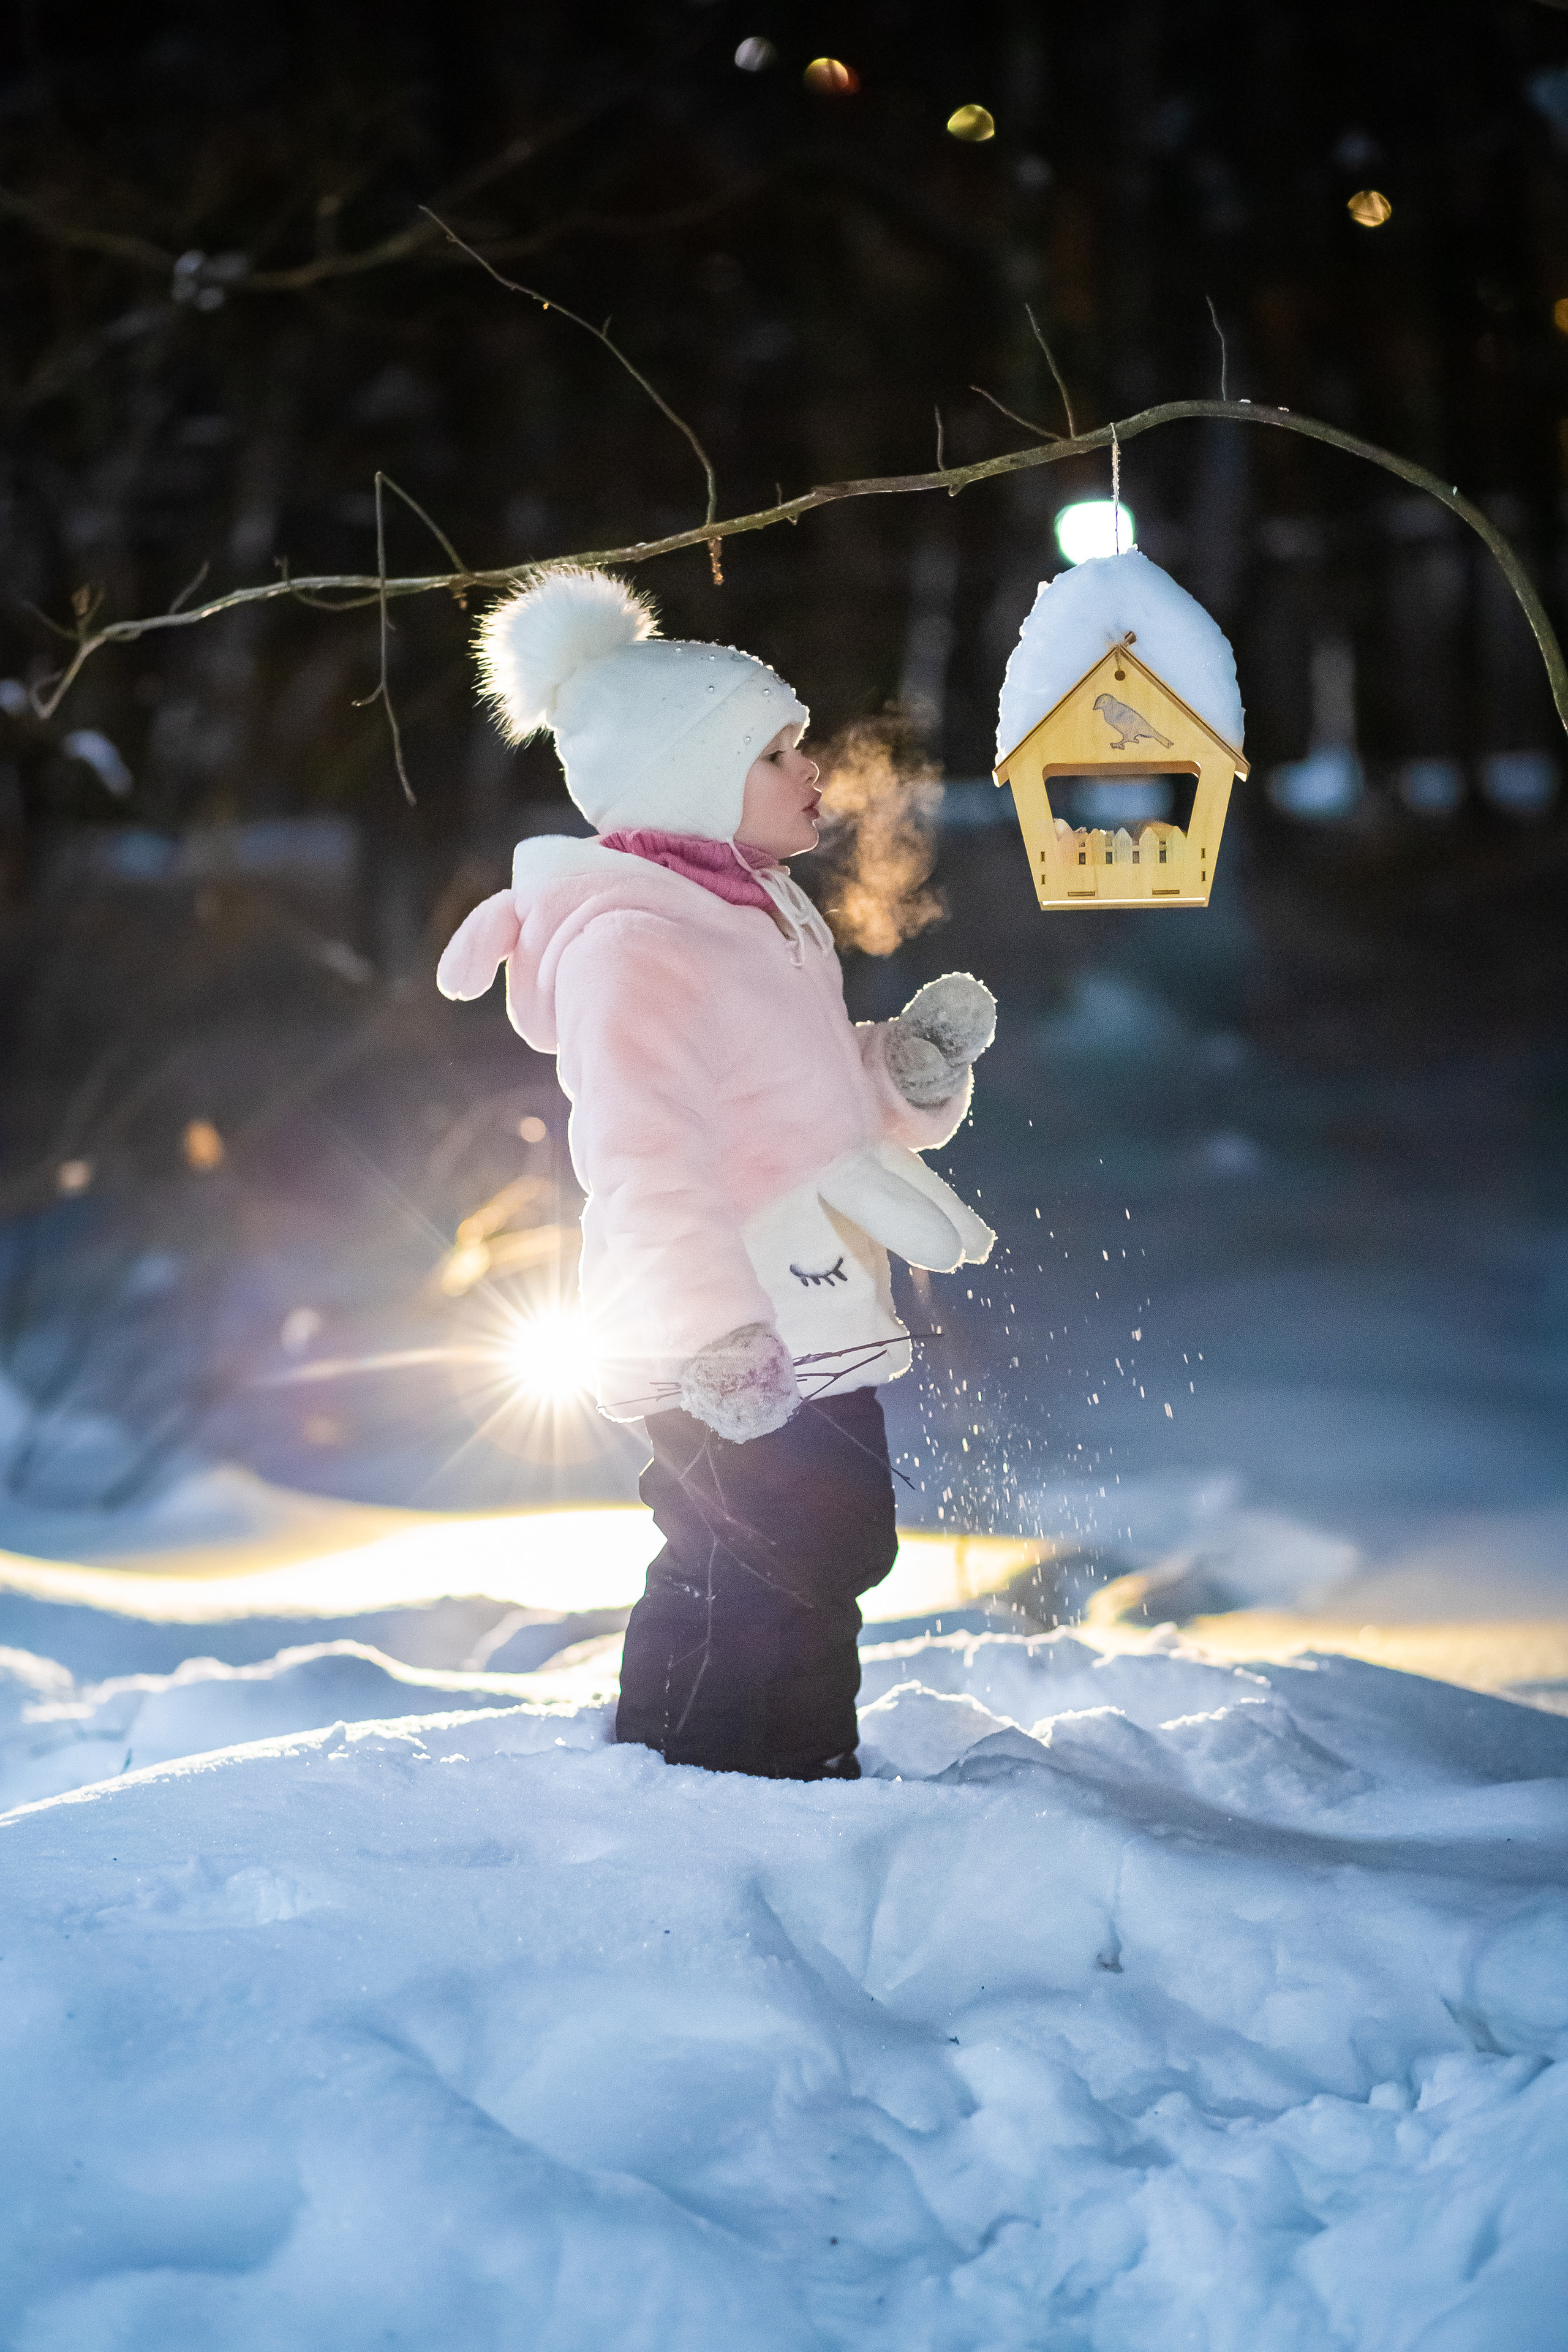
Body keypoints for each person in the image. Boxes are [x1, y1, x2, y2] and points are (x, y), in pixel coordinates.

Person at [437, 568, 997, 1780]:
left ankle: (807, 1770)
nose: (813, 771)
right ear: (685, 778)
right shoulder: (635, 944)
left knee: (830, 1550)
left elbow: (794, 1103)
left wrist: (899, 1070)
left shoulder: (761, 912)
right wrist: (715, 1332)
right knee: (739, 1559)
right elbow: (642, 1153)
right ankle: (685, 1781)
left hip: (810, 1303)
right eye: (774, 753)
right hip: (723, 1331)